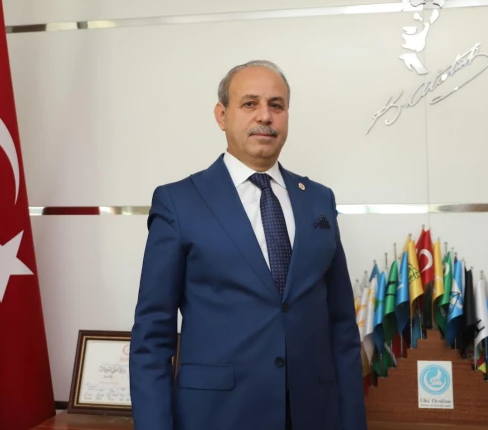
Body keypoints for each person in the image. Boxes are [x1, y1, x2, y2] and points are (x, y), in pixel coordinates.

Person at [129, 60, 367, 430]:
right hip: (216, 416)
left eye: (277, 105)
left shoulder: (319, 200)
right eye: (250, 103)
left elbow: (342, 329)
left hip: (314, 414)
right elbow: (152, 337)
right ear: (222, 115)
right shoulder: (179, 202)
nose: (265, 116)